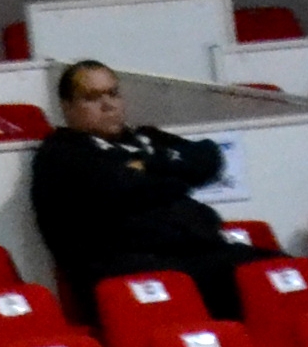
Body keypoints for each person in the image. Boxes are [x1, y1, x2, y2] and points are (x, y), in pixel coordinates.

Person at [28, 59, 241, 322]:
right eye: (92, 98)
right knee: (231, 279)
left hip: (194, 253)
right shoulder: (61, 155)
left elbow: (209, 158)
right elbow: (128, 189)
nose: (108, 105)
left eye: (113, 93)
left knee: (273, 267)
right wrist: (175, 176)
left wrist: (150, 164)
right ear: (67, 107)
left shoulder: (144, 137)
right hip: (124, 272)